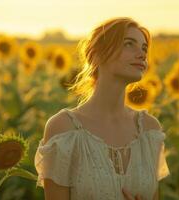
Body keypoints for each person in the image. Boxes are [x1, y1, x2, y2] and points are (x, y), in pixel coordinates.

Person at [34, 17, 170, 200]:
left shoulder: (149, 130)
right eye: (129, 44)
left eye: (144, 48)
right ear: (97, 54)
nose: (142, 54)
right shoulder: (64, 130)